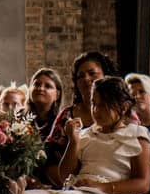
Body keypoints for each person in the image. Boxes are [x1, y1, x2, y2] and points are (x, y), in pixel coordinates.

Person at [13, 75, 150, 194]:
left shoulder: (137, 135)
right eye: (94, 104)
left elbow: (143, 183)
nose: (96, 111)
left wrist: (101, 187)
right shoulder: (86, 135)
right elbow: (65, 176)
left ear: (124, 107)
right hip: (80, 193)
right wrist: (73, 141)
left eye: (104, 105)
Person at [41, 49, 119, 180]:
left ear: (106, 76)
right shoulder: (67, 116)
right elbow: (50, 161)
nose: (86, 79)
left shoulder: (122, 114)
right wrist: (71, 185)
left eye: (92, 73)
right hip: (69, 184)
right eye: (80, 76)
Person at [25, 66, 63, 142]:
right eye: (37, 84)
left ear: (57, 95)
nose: (41, 88)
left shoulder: (62, 122)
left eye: (48, 86)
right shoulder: (18, 118)